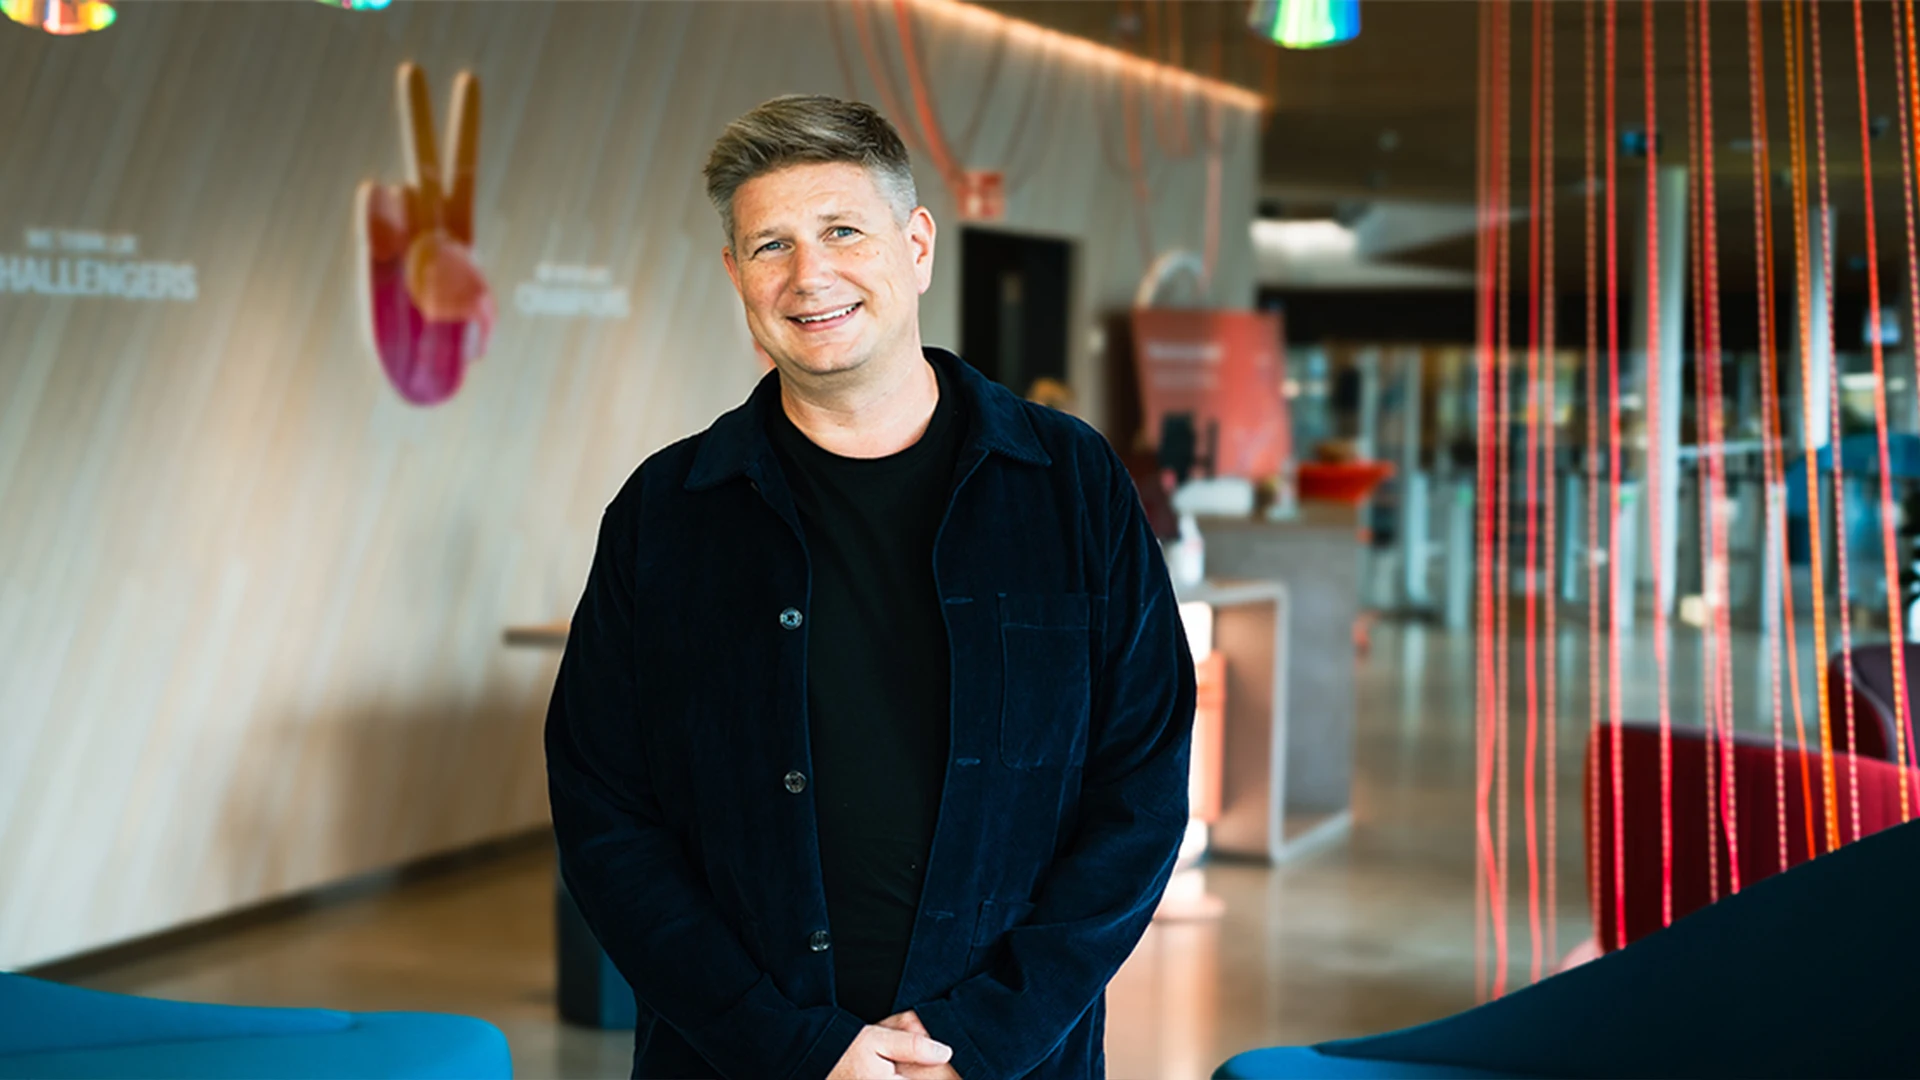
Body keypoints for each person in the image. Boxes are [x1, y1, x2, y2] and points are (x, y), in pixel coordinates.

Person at [545, 94, 1195, 1080]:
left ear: (917, 245)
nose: (809, 275)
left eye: (843, 230)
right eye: (770, 246)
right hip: (734, 1062)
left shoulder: (1071, 486)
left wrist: (980, 1038)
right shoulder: (666, 511)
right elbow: (605, 815)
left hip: (1007, 1062)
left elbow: (1140, 790)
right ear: (735, 275)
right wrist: (794, 1047)